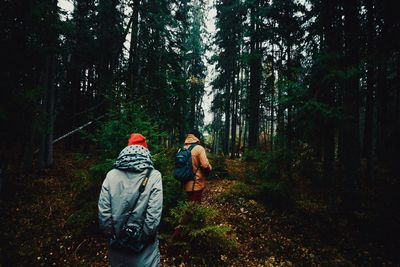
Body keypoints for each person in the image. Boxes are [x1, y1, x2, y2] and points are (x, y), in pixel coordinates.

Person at [98, 133, 163, 267]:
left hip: (117, 250)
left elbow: (104, 215)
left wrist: (114, 237)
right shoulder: (154, 176)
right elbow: (153, 216)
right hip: (144, 252)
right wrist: (141, 239)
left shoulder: (111, 175)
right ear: (146, 151)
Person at [182, 129, 212, 203]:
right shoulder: (199, 148)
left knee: (187, 205)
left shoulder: (181, 149)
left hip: (184, 184)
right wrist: (210, 168)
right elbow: (205, 165)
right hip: (196, 184)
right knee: (195, 208)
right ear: (197, 137)